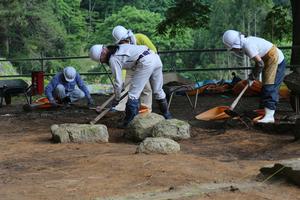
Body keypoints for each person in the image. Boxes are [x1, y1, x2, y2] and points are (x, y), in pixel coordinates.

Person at [89, 44, 172, 126]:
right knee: (158, 90)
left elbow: (118, 83)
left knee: (133, 95)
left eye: (101, 60)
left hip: (145, 62)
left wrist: (117, 99)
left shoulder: (113, 58)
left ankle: (129, 123)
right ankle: (168, 117)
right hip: (155, 57)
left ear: (102, 54)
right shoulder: (120, 47)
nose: (103, 62)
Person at [223, 30, 286, 123]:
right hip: (269, 60)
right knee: (266, 86)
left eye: (232, 48)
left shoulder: (247, 45)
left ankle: (269, 117)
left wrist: (252, 77)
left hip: (276, 60)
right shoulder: (246, 42)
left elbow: (260, 64)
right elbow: (259, 62)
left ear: (235, 44)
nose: (233, 50)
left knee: (270, 86)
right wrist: (251, 77)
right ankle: (265, 112)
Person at [111, 25, 157, 112]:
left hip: (143, 66)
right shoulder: (121, 47)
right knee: (124, 87)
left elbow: (154, 51)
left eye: (124, 40)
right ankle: (120, 107)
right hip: (130, 67)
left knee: (146, 89)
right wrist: (122, 79)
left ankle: (145, 109)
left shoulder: (141, 38)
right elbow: (122, 63)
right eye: (120, 42)